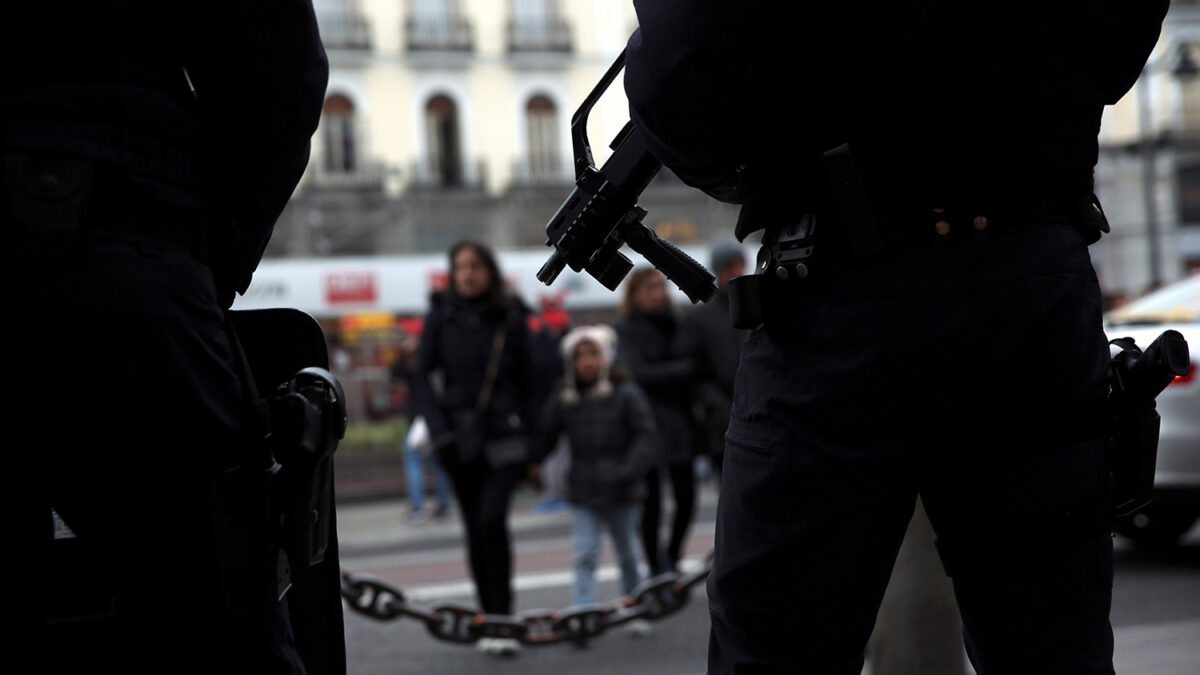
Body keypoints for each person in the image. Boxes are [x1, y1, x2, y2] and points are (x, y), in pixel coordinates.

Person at [623, 2, 1170, 673]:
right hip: (1035, 275)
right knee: (1054, 643)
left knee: (775, 644)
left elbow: (680, 71)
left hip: (845, 292)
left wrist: (760, 158)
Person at [6, 3, 333, 674]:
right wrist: (205, 260)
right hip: (118, 246)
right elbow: (277, 79)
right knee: (216, 623)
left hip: (120, 238)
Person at [412, 240, 538, 657]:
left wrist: (534, 444)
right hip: (457, 442)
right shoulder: (440, 318)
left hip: (506, 440)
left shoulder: (511, 316)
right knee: (474, 530)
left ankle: (502, 616)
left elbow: (535, 382)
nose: (467, 273)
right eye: (460, 266)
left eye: (475, 265)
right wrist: (441, 433)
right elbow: (421, 381)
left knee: (490, 522)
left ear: (490, 271)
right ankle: (490, 617)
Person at [531, 325, 656, 638]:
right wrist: (531, 463)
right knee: (585, 554)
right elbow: (547, 434)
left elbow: (645, 435)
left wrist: (628, 470)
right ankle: (583, 612)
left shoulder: (626, 392)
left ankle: (634, 606)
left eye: (593, 355)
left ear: (606, 358)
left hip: (623, 488)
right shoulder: (565, 397)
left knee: (627, 552)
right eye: (579, 357)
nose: (586, 363)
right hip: (584, 488)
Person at [613, 267, 697, 575]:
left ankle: (672, 554)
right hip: (646, 423)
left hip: (679, 421)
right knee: (651, 502)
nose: (656, 293)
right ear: (634, 294)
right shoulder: (626, 327)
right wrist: (680, 370)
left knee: (686, 496)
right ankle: (655, 565)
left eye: (660, 286)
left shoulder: (677, 322)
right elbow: (636, 372)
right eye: (648, 288)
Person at [675, 238, 748, 480]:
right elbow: (689, 367)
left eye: (740, 266)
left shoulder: (754, 307)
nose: (736, 273)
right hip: (722, 418)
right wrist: (715, 402)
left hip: (756, 405)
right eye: (730, 267)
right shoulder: (700, 318)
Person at [393, 333, 452, 524]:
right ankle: (443, 504)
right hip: (432, 419)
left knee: (413, 462)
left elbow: (398, 374)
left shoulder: (418, 363)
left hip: (419, 419)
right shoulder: (429, 362)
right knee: (436, 463)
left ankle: (418, 508)